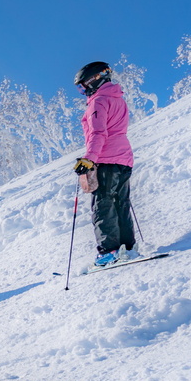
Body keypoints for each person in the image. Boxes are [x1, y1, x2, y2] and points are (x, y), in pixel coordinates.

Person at [73, 61, 137, 267]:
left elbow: (98, 133)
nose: (82, 91)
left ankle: (109, 251)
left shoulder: (98, 102)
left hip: (106, 158)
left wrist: (89, 159)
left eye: (82, 86)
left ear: (94, 80)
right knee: (121, 203)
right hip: (124, 158)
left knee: (103, 205)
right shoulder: (118, 99)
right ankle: (127, 247)